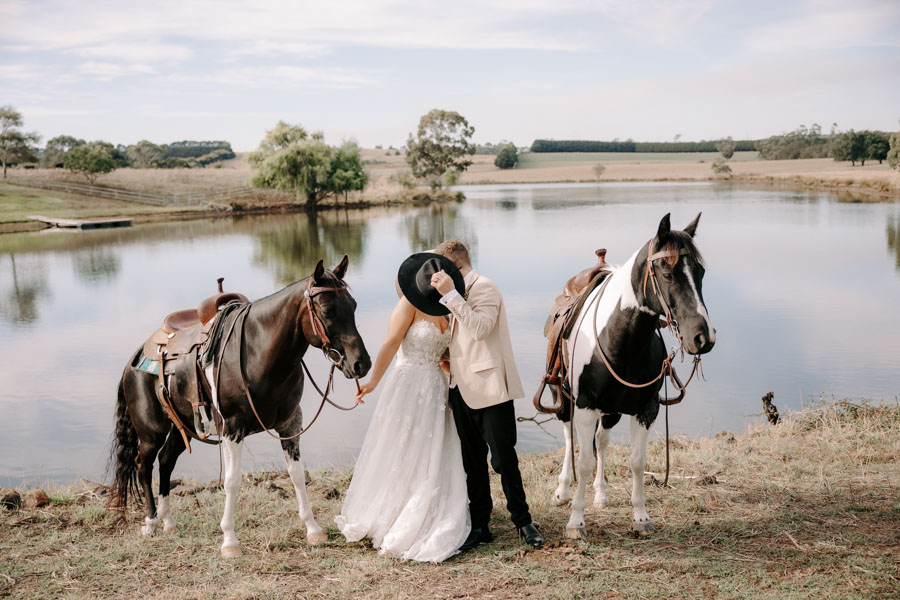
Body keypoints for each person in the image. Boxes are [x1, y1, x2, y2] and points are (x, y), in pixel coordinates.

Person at [335, 252, 470, 563]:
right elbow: (390, 343)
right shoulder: (408, 304)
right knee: (403, 446)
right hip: (407, 383)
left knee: (433, 449)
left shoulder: (448, 308)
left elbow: (447, 354)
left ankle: (432, 507)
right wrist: (372, 381)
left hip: (437, 387)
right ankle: (392, 511)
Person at [430, 239, 544, 551]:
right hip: (459, 389)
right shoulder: (450, 295)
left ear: (454, 265)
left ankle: (523, 522)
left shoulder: (485, 287)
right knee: (472, 463)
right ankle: (480, 525)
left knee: (504, 460)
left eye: (441, 269)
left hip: (490, 388)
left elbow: (480, 328)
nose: (437, 277)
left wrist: (452, 296)